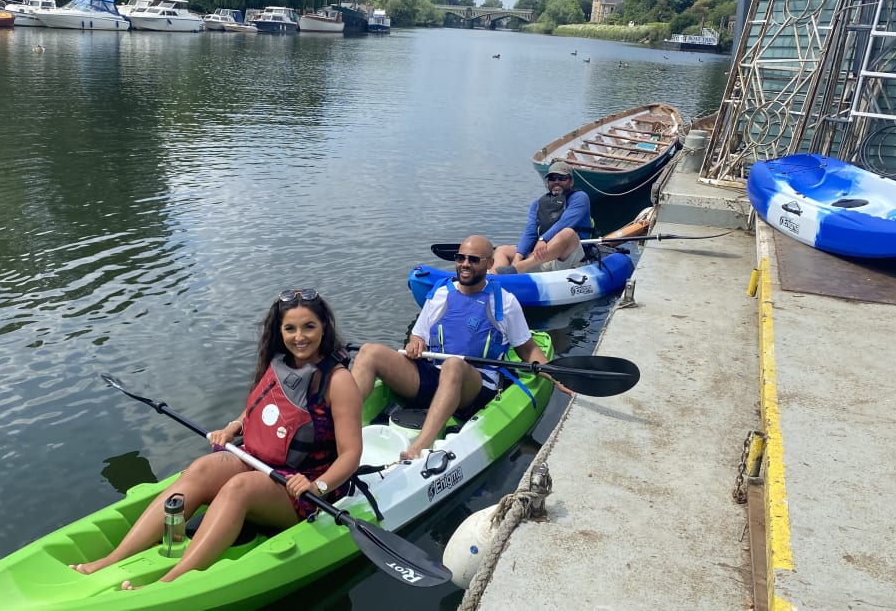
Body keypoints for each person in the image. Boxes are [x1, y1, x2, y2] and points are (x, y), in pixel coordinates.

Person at [71, 289, 363, 589]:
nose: (299, 337)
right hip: (260, 461)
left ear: (323, 327)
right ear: (279, 330)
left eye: (309, 327)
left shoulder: (337, 381)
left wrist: (317, 485)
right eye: (290, 328)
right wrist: (234, 427)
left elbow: (351, 454)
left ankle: (173, 581)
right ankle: (113, 559)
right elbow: (267, 407)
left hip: (307, 487)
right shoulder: (281, 362)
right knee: (202, 468)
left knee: (239, 487)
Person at [350, 235, 564, 461]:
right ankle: (337, 425)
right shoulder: (440, 294)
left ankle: (418, 448)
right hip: (435, 375)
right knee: (369, 351)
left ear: (490, 264)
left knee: (454, 365)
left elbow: (528, 349)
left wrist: (554, 373)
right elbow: (417, 334)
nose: (465, 264)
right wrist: (415, 343)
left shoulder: (504, 301)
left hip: (476, 385)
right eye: (460, 258)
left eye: (473, 260)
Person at [490, 160, 595, 274]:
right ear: (547, 182)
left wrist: (543, 239)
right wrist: (518, 256)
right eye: (552, 178)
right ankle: (494, 280)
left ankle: (519, 268)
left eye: (562, 178)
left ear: (571, 182)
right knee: (502, 250)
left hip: (567, 257)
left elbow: (564, 223)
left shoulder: (580, 198)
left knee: (568, 233)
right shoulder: (537, 204)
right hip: (541, 257)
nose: (556, 182)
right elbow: (530, 232)